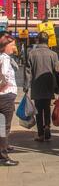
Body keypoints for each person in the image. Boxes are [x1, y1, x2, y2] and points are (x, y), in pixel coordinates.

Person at [24, 31, 59, 142]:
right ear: (47, 41)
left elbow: (28, 72)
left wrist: (26, 86)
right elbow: (58, 72)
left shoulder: (32, 54)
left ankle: (40, 134)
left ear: (38, 40)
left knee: (38, 109)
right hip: (48, 85)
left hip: (36, 86)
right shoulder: (53, 54)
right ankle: (47, 126)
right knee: (47, 107)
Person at [0, 33, 19, 166]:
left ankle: (2, 151)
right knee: (4, 127)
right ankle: (3, 157)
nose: (14, 47)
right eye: (12, 45)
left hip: (4, 96)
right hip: (6, 96)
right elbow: (5, 74)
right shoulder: (5, 58)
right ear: (5, 46)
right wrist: (3, 86)